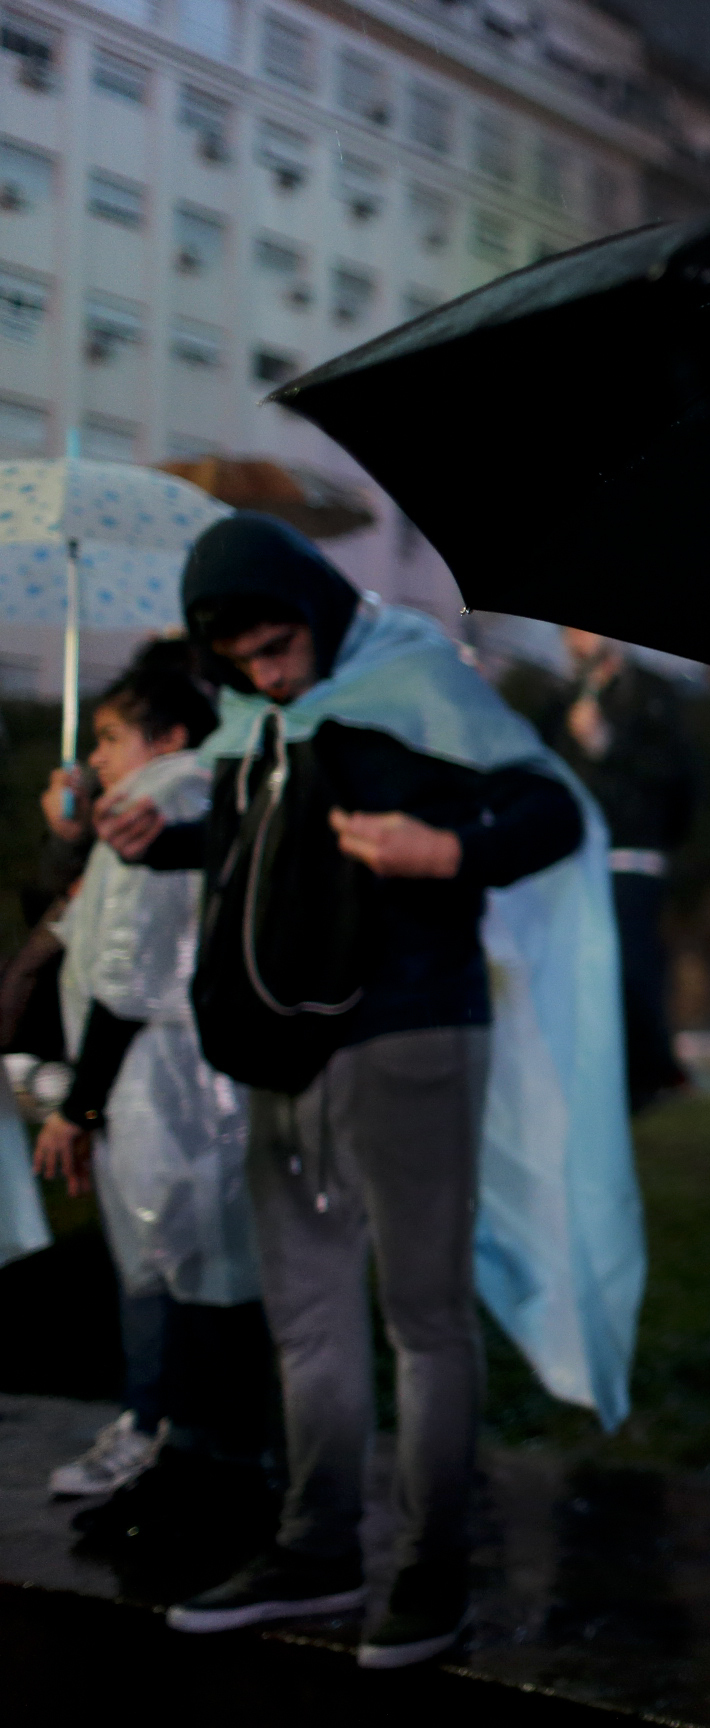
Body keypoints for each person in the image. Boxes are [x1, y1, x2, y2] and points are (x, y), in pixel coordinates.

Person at [97, 515, 638, 1670]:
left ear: (320, 609)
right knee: (307, 1319)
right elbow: (265, 845)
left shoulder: (418, 688)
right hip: (278, 1059)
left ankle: (433, 1569)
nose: (260, 665)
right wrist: (160, 839)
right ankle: (316, 1543)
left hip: (409, 1039)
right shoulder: (266, 721)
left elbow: (553, 814)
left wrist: (446, 850)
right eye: (235, 653)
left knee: (424, 1317)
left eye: (272, 639)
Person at [33, 642, 273, 1580]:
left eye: (109, 736)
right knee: (186, 1271)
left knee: (190, 1275)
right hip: (172, 1087)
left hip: (168, 1088)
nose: (97, 755)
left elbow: (127, 976)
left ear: (170, 734)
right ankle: (190, 1467)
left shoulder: (165, 800)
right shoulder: (176, 795)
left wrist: (77, 1106)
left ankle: (203, 1477)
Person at [534, 629, 698, 1110]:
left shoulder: (651, 696)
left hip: (631, 857)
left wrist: (609, 747)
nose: (575, 640)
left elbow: (677, 782)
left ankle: (643, 1078)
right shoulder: (560, 699)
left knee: (631, 968)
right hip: (573, 860)